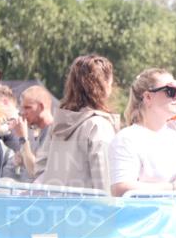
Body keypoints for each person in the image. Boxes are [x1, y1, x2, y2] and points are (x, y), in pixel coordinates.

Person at [37, 54, 120, 191]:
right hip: (87, 204)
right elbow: (105, 182)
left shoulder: (58, 125)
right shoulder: (98, 126)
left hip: (53, 202)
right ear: (105, 86)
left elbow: (40, 169)